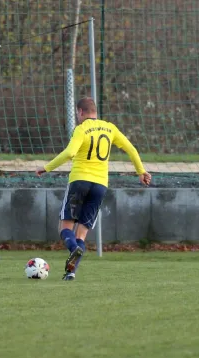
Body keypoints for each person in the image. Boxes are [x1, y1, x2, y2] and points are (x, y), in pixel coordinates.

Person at [36, 97, 151, 281]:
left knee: (65, 227)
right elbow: (131, 149)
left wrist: (47, 167)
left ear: (80, 112)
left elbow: (70, 153)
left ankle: (74, 249)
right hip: (100, 185)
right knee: (81, 232)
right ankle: (71, 272)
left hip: (79, 181)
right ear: (95, 111)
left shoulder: (81, 129)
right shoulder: (110, 128)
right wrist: (141, 171)